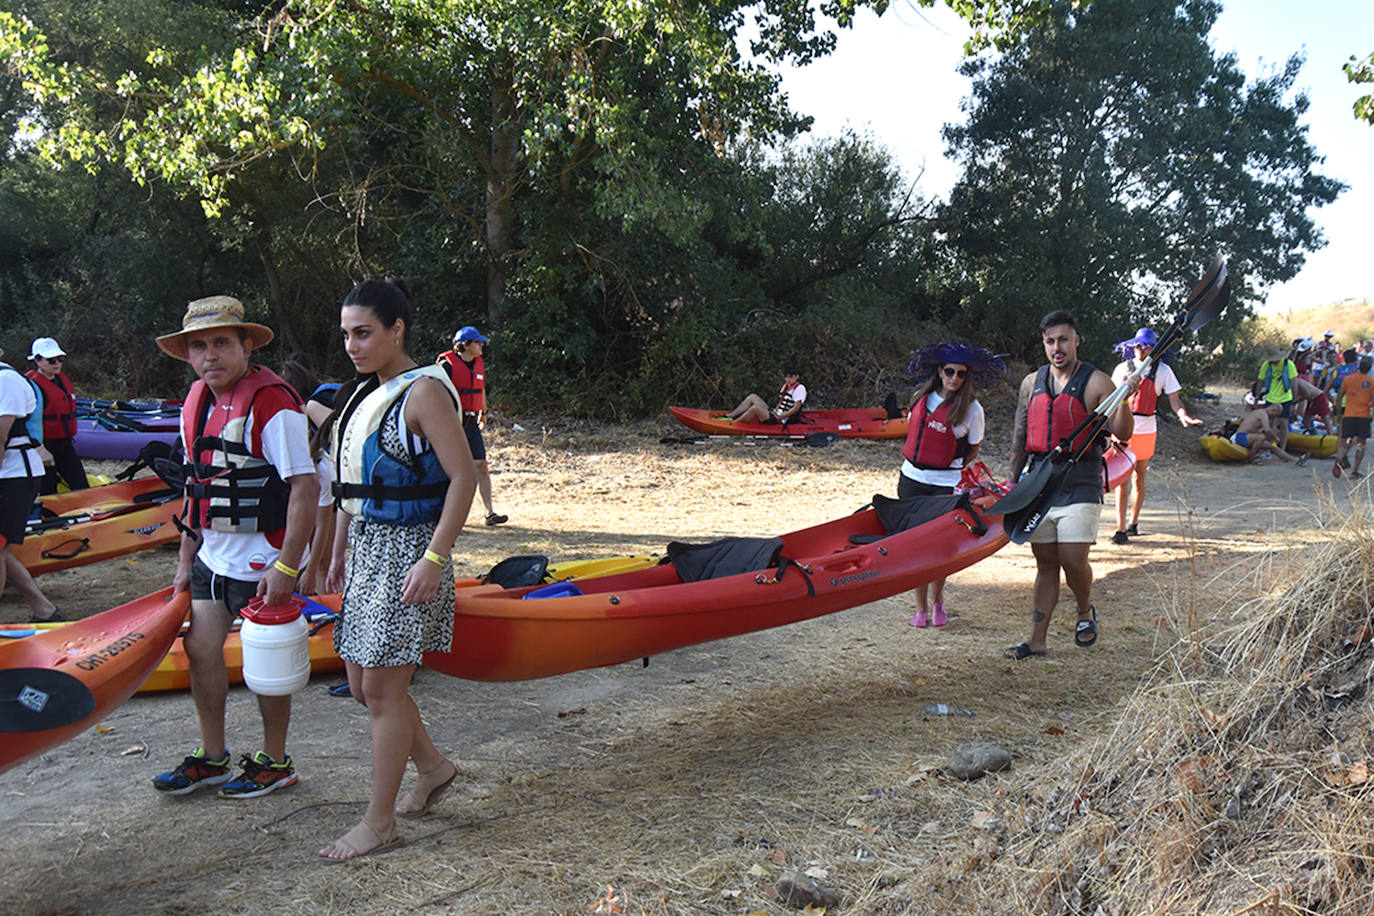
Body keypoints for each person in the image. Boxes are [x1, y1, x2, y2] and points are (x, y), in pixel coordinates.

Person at [320, 278, 477, 862]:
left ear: (397, 329)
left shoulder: (424, 394)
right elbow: (352, 488)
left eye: (364, 333)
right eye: (346, 335)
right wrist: (338, 548)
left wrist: (434, 558)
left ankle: (379, 821)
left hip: (410, 553)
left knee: (383, 690)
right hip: (368, 548)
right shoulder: (369, 392)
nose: (353, 346)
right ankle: (433, 768)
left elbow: (462, 480)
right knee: (364, 687)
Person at [150, 296, 319, 799]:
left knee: (266, 661)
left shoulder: (274, 402)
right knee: (201, 650)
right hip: (211, 556)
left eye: (221, 342)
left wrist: (288, 565)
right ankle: (213, 757)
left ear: (247, 345)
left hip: (266, 559)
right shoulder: (194, 401)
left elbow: (305, 488)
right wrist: (185, 559)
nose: (210, 356)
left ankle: (275, 760)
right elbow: (193, 483)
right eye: (198, 346)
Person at [1004, 311, 1137, 660]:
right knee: (1046, 562)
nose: (1057, 347)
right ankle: (1036, 639)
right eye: (1050, 341)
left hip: (1081, 479)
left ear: (1076, 341)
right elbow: (1020, 437)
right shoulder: (1031, 383)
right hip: (1040, 482)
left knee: (1072, 558)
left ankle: (1083, 610)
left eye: (1063, 339)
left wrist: (1123, 398)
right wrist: (1012, 482)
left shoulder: (1097, 382)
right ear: (1044, 344)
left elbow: (1123, 433)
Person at [897, 342, 1003, 628]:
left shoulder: (973, 410)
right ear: (939, 371)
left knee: (939, 548)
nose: (954, 378)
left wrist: (950, 466)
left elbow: (973, 448)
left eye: (961, 374)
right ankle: (919, 608)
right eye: (949, 371)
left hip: (944, 485)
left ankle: (938, 601)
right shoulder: (922, 395)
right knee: (915, 547)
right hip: (911, 481)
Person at [1107, 328, 1202, 544]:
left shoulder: (1164, 371)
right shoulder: (1122, 368)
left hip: (1147, 428)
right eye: (1139, 345)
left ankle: (1134, 523)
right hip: (1123, 426)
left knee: (1139, 476)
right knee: (1121, 478)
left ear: (1155, 348)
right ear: (1133, 346)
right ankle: (1120, 528)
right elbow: (1111, 397)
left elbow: (1174, 399)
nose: (1142, 349)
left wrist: (1183, 415)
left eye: (1147, 345)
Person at [0, 346, 61, 622]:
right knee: (2, 549)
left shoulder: (6, 381)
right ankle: (44, 609)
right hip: (8, 472)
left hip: (15, 474)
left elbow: (0, 438)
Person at [437, 326, 507, 526]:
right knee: (449, 471)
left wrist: (483, 413)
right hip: (451, 423)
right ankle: (445, 515)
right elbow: (436, 393)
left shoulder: (478, 363)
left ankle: (490, 513)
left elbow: (480, 389)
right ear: (465, 345)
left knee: (481, 466)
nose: (482, 345)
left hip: (470, 423)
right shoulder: (446, 365)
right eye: (477, 342)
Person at [25, 337, 88, 495]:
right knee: (48, 491)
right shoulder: (31, 385)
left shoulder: (60, 380)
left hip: (64, 444)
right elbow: (24, 421)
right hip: (44, 446)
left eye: (60, 359)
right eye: (51, 360)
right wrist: (39, 448)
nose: (57, 364)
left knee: (81, 487)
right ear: (38, 360)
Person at [1332, 356, 1374, 480]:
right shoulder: (1371, 381)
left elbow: (1339, 397)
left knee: (1346, 440)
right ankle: (1355, 470)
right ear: (1369, 368)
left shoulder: (1348, 379)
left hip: (1349, 415)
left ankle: (1339, 459)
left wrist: (1339, 414)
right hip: (1363, 416)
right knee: (1361, 444)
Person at [724, 366, 806, 424]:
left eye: (791, 377)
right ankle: (730, 416)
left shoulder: (800, 388)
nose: (788, 379)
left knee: (755, 409)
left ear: (796, 376)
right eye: (786, 377)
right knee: (752, 397)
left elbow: (796, 408)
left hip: (781, 419)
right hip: (775, 413)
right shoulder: (785, 386)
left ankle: (734, 423)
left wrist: (782, 417)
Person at [1231, 401, 1306, 463]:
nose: (1275, 417)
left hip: (1248, 438)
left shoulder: (1262, 414)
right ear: (1273, 410)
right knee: (1261, 437)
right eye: (1276, 415)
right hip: (1239, 437)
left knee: (1272, 446)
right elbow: (1267, 429)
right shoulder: (1262, 413)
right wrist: (1275, 438)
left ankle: (1296, 460)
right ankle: (1251, 459)